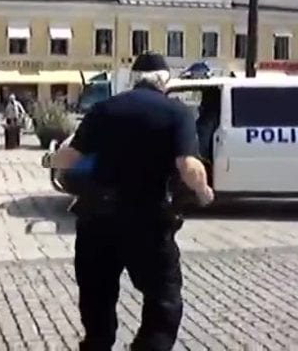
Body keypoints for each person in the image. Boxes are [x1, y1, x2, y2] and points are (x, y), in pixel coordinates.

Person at [43, 51, 214, 350]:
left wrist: (49, 160)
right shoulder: (176, 113)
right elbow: (188, 165)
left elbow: (70, 157)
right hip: (147, 221)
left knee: (97, 295)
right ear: (164, 81)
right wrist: (203, 192)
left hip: (97, 219)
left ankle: (98, 343)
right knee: (163, 298)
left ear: (134, 80)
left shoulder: (104, 108)